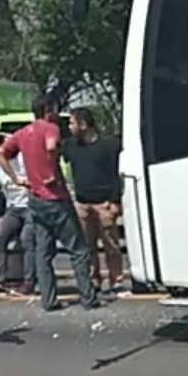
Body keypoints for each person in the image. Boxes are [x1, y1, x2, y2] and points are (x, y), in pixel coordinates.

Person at [0, 94, 100, 311]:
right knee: (77, 249)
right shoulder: (50, 128)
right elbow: (51, 147)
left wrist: (16, 179)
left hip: (36, 198)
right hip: (56, 196)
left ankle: (49, 299)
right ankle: (88, 297)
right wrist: (52, 171)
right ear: (49, 109)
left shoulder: (22, 133)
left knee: (43, 251)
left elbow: (0, 153)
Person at [62, 107, 126, 295]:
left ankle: (117, 279)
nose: (70, 127)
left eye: (72, 123)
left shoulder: (107, 146)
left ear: (83, 124)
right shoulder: (70, 146)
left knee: (111, 245)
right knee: (87, 245)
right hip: (82, 203)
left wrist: (115, 201)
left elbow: (116, 174)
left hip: (104, 203)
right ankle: (93, 279)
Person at [0, 132, 35, 297]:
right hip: (13, 207)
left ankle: (29, 282)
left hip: (30, 205)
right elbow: (7, 186)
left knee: (27, 240)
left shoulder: (24, 158)